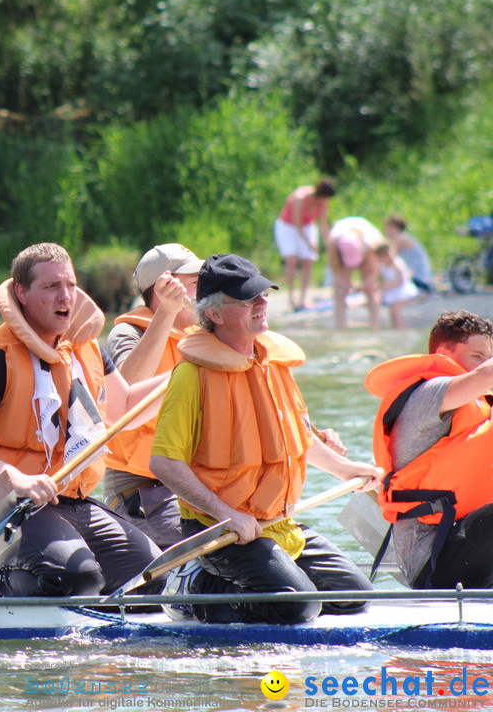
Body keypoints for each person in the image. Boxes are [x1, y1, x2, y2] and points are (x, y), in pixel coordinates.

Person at [149, 254, 380, 625]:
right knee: (296, 607)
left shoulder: (274, 363)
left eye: (262, 295)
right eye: (246, 299)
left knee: (355, 597)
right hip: (220, 527)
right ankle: (193, 586)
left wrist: (346, 469)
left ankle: (248, 580)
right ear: (215, 314)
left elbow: (299, 435)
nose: (261, 304)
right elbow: (163, 462)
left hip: (277, 521)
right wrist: (227, 515)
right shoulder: (191, 376)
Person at [0, 242, 166, 598]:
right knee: (77, 580)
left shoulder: (86, 347)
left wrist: (180, 376)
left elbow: (124, 409)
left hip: (71, 499)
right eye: (52, 286)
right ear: (22, 293)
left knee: (155, 579)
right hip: (8, 504)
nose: (65, 296)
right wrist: (16, 480)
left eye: (71, 285)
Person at [365, 310, 493, 589]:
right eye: (476, 356)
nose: (483, 363)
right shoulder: (430, 393)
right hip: (432, 563)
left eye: (487, 356)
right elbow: (487, 376)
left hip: (471, 545)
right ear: (445, 352)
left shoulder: (480, 406)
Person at [102, 243, 203, 548]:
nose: (205, 289)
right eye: (195, 282)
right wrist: (167, 314)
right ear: (165, 287)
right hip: (142, 486)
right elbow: (126, 395)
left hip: (192, 480)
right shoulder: (126, 334)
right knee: (197, 548)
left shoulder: (199, 336)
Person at [274, 178, 335, 312]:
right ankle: (291, 297)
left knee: (308, 261)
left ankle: (303, 299)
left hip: (307, 227)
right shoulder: (299, 198)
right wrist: (309, 244)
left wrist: (330, 243)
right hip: (287, 227)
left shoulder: (324, 203)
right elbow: (296, 224)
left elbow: (323, 225)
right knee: (291, 261)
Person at [326, 216, 387, 330]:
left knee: (371, 289)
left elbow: (373, 274)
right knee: (340, 289)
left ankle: (375, 326)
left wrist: (362, 287)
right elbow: (335, 270)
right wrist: (345, 283)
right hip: (343, 248)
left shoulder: (371, 243)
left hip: (365, 247)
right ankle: (339, 326)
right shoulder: (333, 242)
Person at [383, 214, 435, 294]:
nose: (385, 229)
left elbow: (389, 258)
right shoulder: (404, 237)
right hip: (420, 277)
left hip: (419, 279)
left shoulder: (401, 239)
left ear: (393, 226)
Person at [373, 242, 419, 330]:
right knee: (392, 311)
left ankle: (401, 330)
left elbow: (401, 281)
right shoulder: (383, 265)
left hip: (403, 290)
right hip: (393, 291)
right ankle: (395, 329)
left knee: (396, 310)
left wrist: (387, 284)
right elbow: (382, 279)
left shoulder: (397, 264)